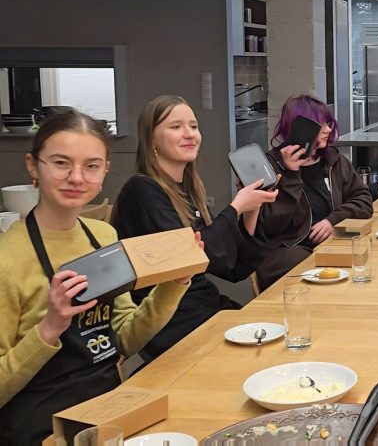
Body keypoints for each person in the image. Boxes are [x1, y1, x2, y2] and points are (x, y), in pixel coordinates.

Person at [0, 111, 190, 443]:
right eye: (61, 163)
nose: (76, 177)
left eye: (91, 165)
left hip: (106, 411)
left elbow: (124, 340)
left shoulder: (103, 236)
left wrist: (174, 284)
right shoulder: (7, 260)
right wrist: (50, 327)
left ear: (104, 171)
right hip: (42, 428)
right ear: (33, 166)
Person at [111, 95, 276, 362]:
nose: (189, 134)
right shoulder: (141, 190)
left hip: (204, 306)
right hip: (173, 319)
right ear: (151, 139)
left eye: (194, 126)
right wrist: (236, 206)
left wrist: (251, 209)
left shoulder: (187, 191)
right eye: (176, 127)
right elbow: (189, 256)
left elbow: (232, 269)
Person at [254, 95, 373, 290]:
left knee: (368, 260)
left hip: (330, 247)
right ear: (300, 128)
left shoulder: (333, 161)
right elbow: (269, 226)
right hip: (287, 255)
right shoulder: (269, 167)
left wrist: (332, 221)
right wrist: (291, 175)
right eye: (321, 125)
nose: (328, 130)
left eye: (328, 123)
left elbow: (363, 200)